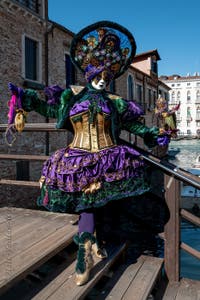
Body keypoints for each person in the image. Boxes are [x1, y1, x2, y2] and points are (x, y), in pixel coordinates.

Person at [7, 21, 170, 286]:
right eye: (99, 76)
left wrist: (152, 134)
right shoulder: (69, 98)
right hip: (76, 160)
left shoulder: (115, 103)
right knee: (86, 202)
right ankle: (87, 246)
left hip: (109, 158)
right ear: (89, 74)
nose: (103, 80)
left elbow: (133, 125)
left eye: (107, 77)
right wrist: (23, 97)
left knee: (94, 202)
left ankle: (88, 246)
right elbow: (45, 106)